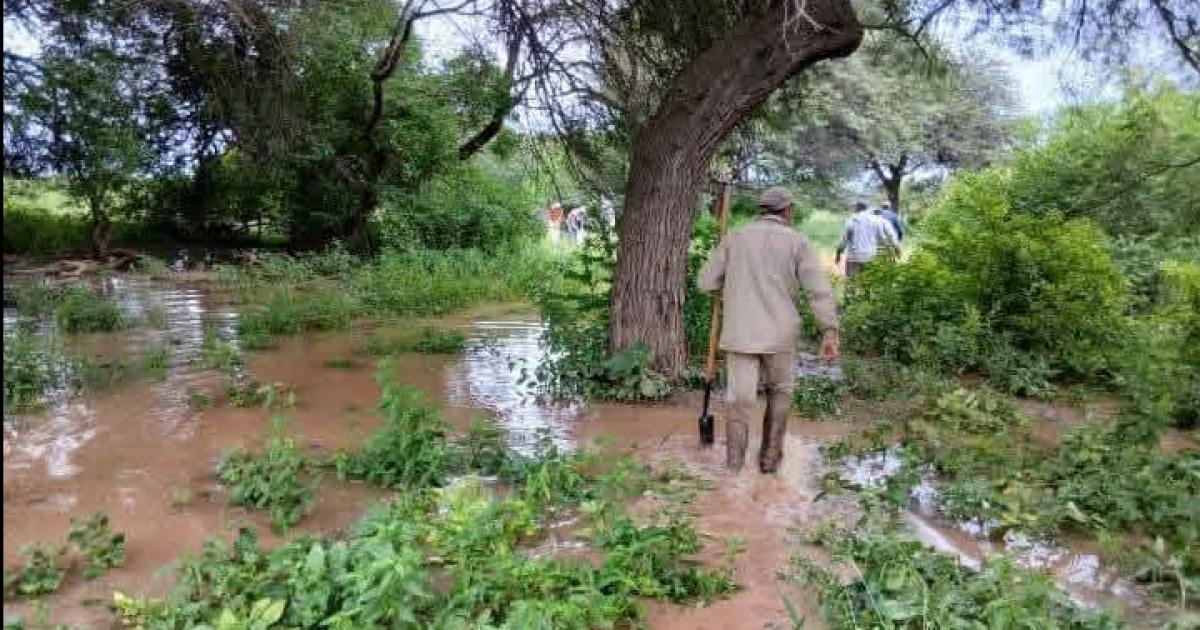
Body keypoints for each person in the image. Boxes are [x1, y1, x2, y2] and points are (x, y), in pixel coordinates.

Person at [698, 187, 839, 474]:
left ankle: (734, 466)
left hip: (741, 334)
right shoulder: (799, 242)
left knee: (739, 402)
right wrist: (829, 331)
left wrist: (728, 280)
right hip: (781, 334)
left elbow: (705, 283)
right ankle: (769, 462)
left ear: (760, 210)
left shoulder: (735, 238)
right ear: (787, 211)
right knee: (780, 393)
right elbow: (819, 291)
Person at [835, 201, 900, 279]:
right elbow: (889, 236)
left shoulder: (851, 221)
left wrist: (838, 254)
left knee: (851, 284)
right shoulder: (877, 221)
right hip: (871, 257)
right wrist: (896, 249)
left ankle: (851, 291)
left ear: (857, 208)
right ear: (867, 208)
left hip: (854, 257)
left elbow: (844, 240)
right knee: (868, 284)